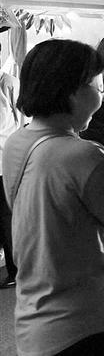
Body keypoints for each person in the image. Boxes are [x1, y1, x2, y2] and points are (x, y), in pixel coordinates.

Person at [2, 39, 104, 355]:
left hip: (36, 324)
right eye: (100, 89)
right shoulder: (84, 155)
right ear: (73, 92)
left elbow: (69, 204)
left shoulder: (17, 143)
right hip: (92, 326)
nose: (103, 99)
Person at [0, 51, 20, 289]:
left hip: (5, 160)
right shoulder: (8, 82)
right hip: (7, 158)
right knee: (6, 215)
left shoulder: (8, 82)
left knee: (6, 216)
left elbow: (19, 119)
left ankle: (16, 269)